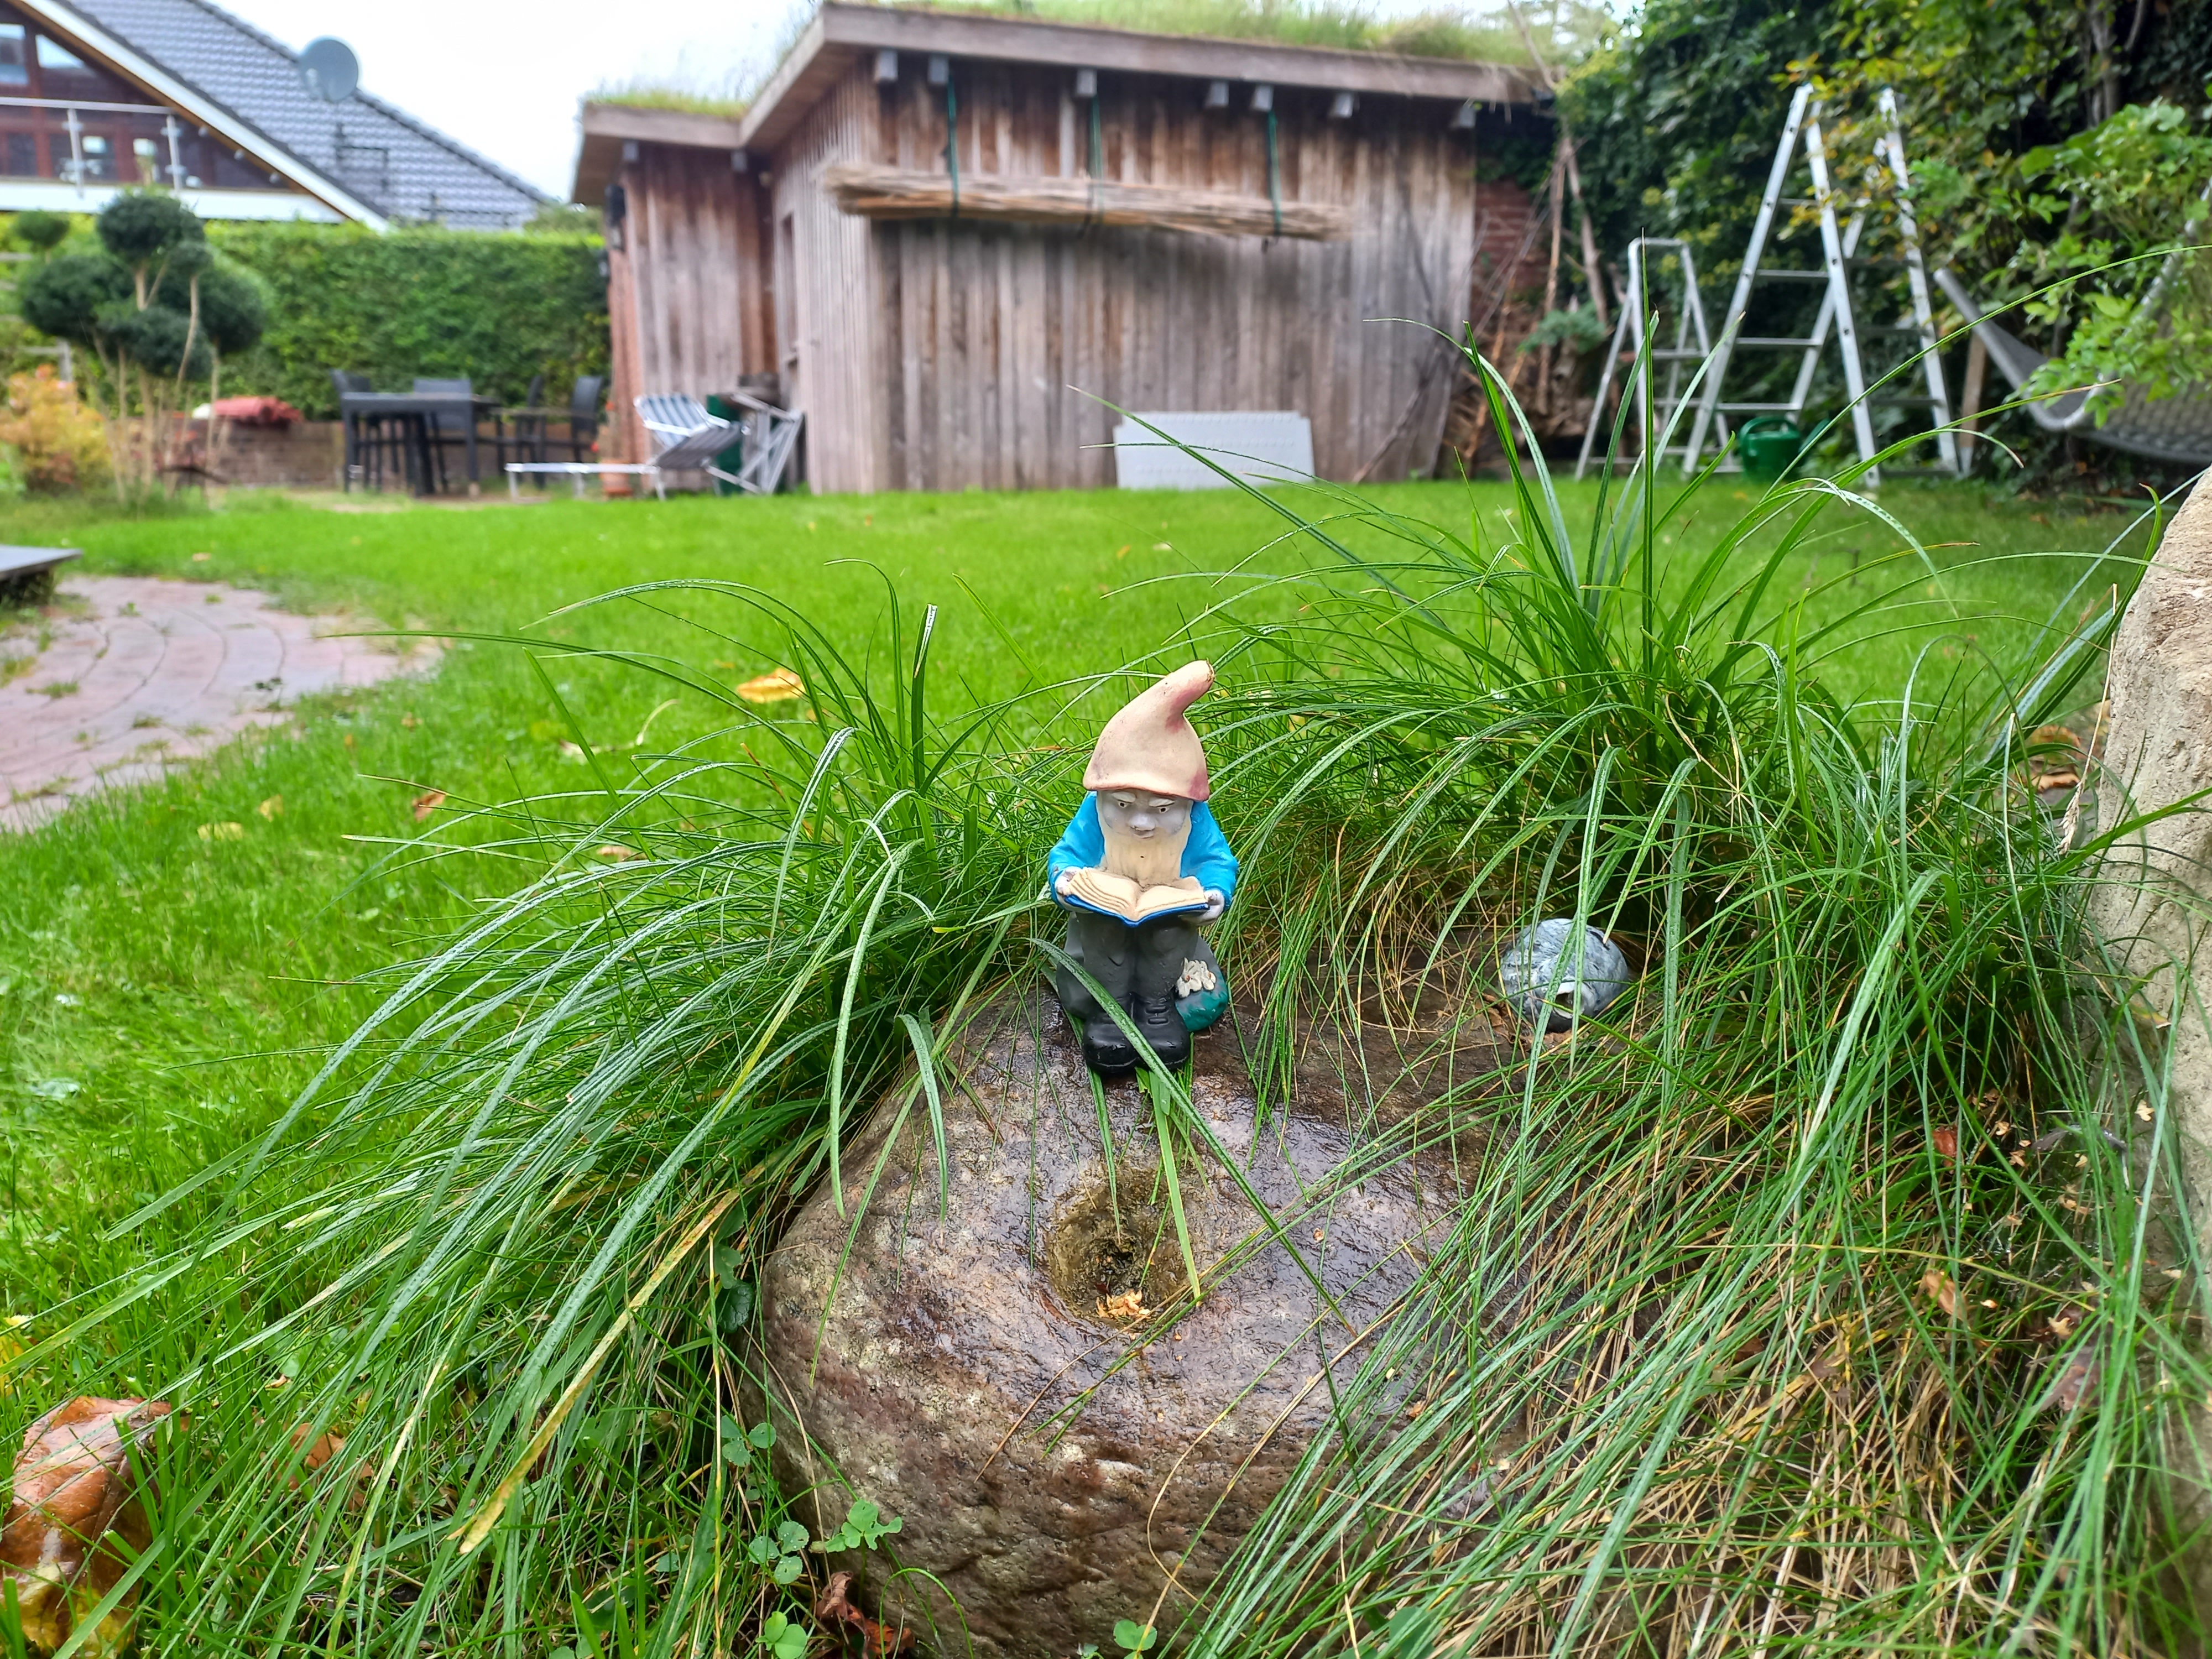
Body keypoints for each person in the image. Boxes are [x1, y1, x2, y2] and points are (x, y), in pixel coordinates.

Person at [1046, 661, 1237, 1074]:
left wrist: (1214, 894)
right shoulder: (1094, 815)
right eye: (1123, 804)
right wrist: (1065, 879)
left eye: (1162, 809)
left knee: (1168, 932)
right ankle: (1110, 1010)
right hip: (1103, 923)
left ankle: (1156, 1007)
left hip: (1168, 923)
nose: (1141, 822)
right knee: (1104, 926)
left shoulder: (1196, 821)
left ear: (1186, 803)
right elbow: (1069, 853)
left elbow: (1216, 860)